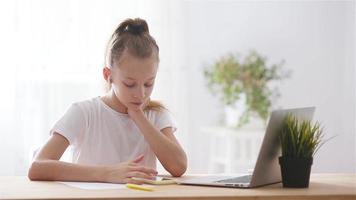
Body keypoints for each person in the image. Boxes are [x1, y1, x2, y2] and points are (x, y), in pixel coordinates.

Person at [28, 18, 187, 184]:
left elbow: (179, 167)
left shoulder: (155, 115)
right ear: (108, 75)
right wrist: (106, 173)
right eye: (130, 84)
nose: (141, 94)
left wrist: (138, 116)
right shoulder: (85, 112)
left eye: (149, 83)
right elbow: (38, 167)